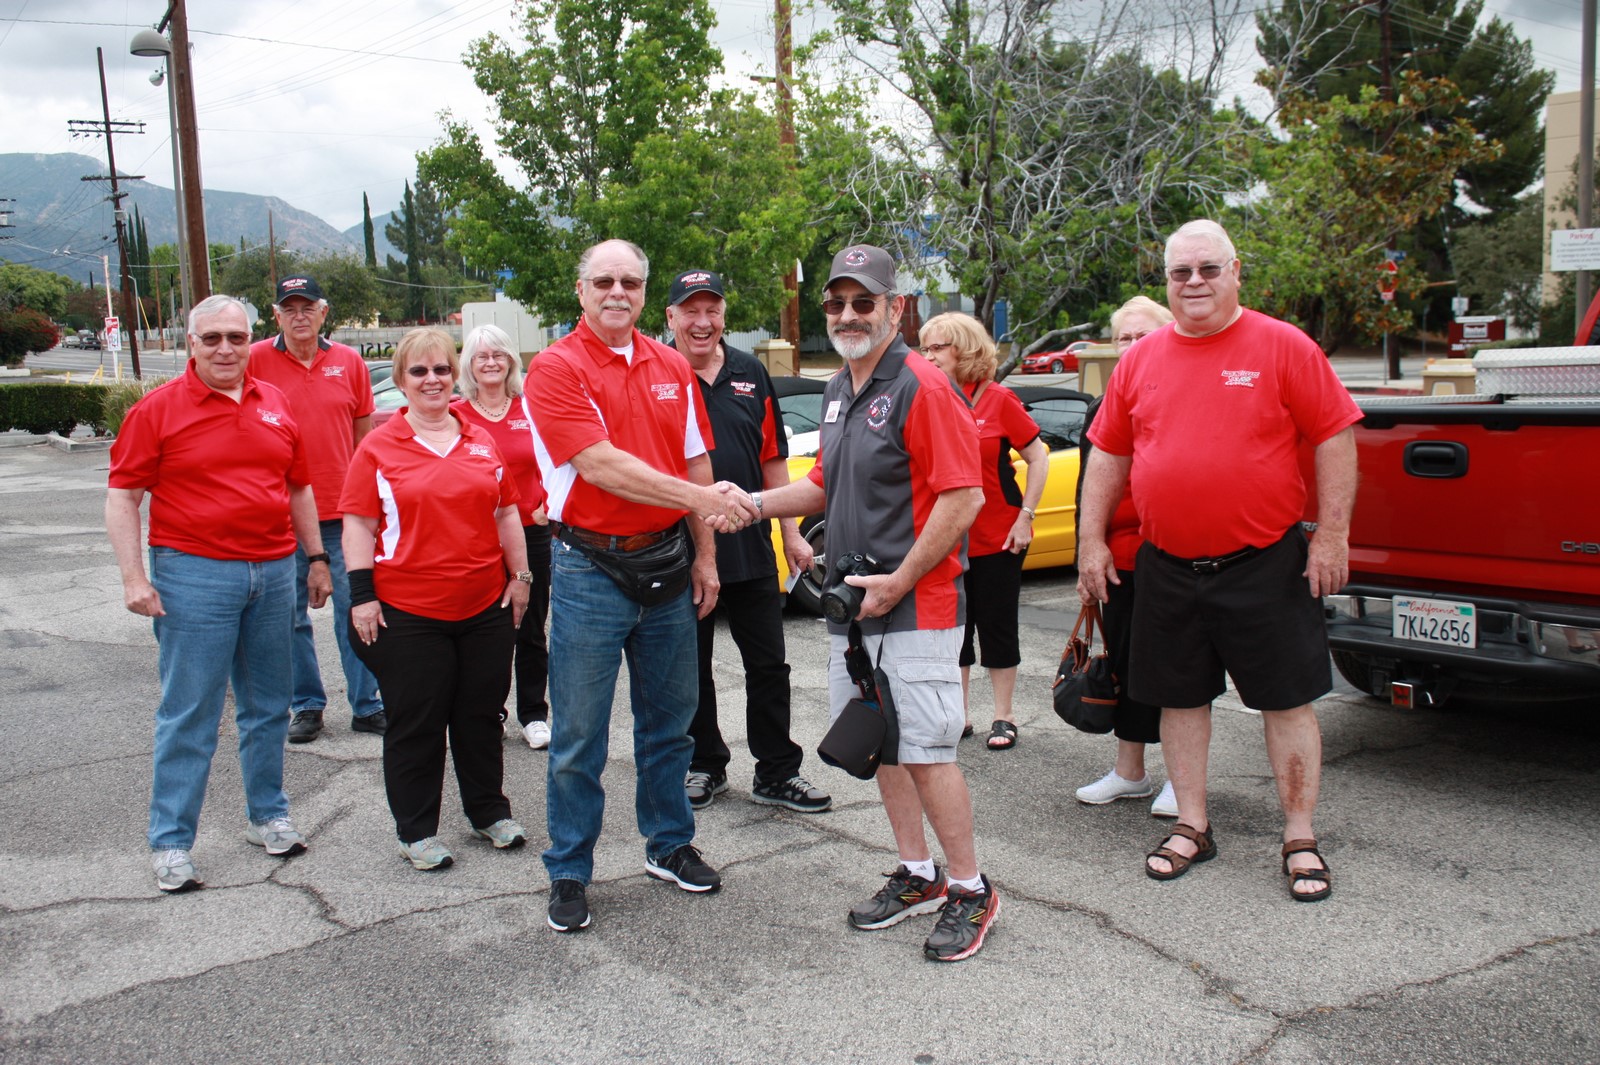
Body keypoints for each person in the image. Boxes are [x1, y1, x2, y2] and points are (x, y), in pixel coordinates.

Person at [1077, 220, 1360, 902]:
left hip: (1265, 561)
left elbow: (1336, 435)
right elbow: (1109, 454)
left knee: (1287, 702)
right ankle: (1193, 825)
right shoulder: (1140, 361)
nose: (1194, 282)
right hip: (1168, 564)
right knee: (1179, 699)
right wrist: (1089, 540)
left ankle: (1299, 835)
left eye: (1207, 269)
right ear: (1167, 282)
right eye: (1181, 273)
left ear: (1236, 272)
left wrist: (1330, 537)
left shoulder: (1283, 346)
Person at [758, 244, 1000, 962]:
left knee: (926, 750)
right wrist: (752, 503)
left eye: (864, 301)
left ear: (896, 308)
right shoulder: (837, 388)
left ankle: (970, 888)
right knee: (880, 742)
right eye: (836, 302)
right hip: (855, 607)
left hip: (916, 605)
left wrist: (900, 579)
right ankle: (918, 873)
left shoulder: (924, 384)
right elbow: (825, 486)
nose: (848, 314)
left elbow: (964, 499)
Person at [525, 239, 758, 933]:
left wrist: (706, 553)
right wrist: (702, 493)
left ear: (644, 289)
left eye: (630, 279)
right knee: (578, 735)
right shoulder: (554, 368)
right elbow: (600, 467)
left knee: (670, 722)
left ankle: (669, 843)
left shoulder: (670, 365)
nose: (617, 291)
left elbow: (695, 454)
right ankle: (569, 867)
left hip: (668, 561)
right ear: (581, 291)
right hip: (588, 568)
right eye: (604, 281)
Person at [105, 294, 331, 893]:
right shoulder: (156, 411)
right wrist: (134, 577)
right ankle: (172, 843)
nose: (226, 349)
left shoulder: (275, 404)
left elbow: (299, 488)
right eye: (212, 339)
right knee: (191, 713)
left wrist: (315, 559)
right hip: (194, 575)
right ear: (191, 345)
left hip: (273, 570)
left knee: (268, 707)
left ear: (251, 338)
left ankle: (268, 816)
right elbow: (123, 496)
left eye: (236, 337)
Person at [340, 327, 532, 872]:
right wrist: (362, 597)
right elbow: (357, 525)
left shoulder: (479, 438)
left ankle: (488, 813)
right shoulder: (378, 446)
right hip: (408, 611)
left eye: (442, 369)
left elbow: (505, 513)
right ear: (401, 380)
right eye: (419, 371)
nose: (432, 380)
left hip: (483, 608)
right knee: (417, 721)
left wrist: (520, 577)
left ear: (456, 376)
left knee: (480, 715)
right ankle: (417, 829)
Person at [664, 269, 831, 814]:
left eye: (712, 310)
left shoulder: (750, 371)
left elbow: (772, 459)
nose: (702, 321)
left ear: (724, 316)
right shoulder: (656, 374)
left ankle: (777, 772)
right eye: (691, 311)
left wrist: (789, 537)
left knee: (768, 665)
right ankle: (703, 766)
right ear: (671, 317)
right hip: (681, 551)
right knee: (692, 669)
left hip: (751, 545)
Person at [249, 275, 386, 743]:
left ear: (324, 312)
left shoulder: (349, 362)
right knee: (288, 617)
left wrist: (372, 504)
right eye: (290, 308)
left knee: (359, 609)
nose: (299, 315)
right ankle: (306, 704)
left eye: (308, 307)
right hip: (279, 515)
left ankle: (367, 704)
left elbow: (364, 440)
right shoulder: (254, 361)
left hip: (344, 515)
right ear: (276, 315)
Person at [917, 311, 1048, 752]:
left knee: (997, 625)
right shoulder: (930, 398)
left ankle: (1004, 716)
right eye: (926, 348)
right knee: (957, 627)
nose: (929, 356)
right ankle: (960, 715)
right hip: (948, 537)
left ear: (965, 350)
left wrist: (1025, 516)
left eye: (939, 347)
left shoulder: (998, 400)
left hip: (998, 536)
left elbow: (1039, 457)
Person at [1073, 296, 1178, 818]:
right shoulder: (1103, 406)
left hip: (1173, 555)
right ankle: (1130, 772)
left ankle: (1183, 779)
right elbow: (1087, 489)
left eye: (1143, 336)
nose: (1133, 347)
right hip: (1117, 559)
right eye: (1124, 339)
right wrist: (1084, 552)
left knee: (1180, 668)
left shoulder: (1184, 394)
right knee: (1127, 669)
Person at [454, 324, 552, 751]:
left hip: (531, 535)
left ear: (511, 361)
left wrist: (548, 503)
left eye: (498, 355)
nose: (491, 363)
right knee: (487, 632)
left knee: (530, 627)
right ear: (470, 367)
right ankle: (489, 710)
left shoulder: (531, 409)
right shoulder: (457, 414)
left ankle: (533, 713)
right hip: (476, 538)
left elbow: (556, 461)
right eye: (481, 357)